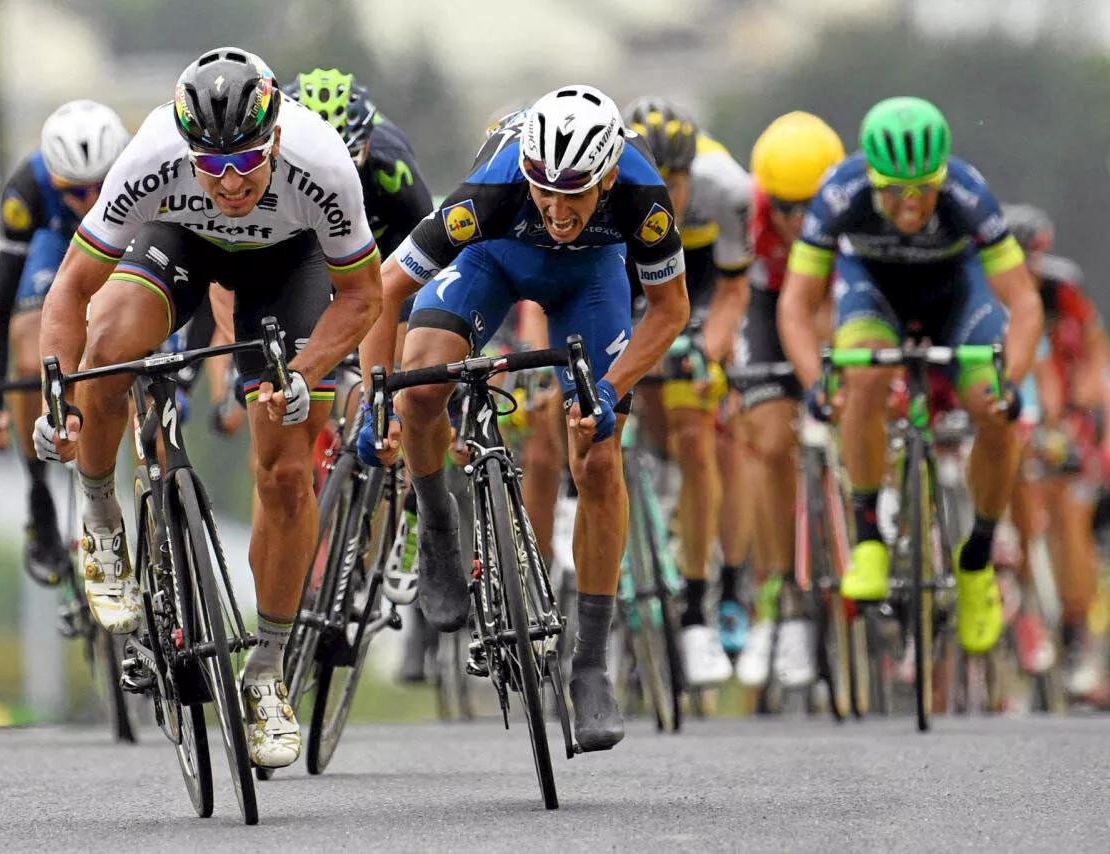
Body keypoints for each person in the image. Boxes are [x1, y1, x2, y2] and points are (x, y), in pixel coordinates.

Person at [33, 47, 383, 769]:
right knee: (106, 349)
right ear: (186, 146)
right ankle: (101, 521)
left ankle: (268, 674)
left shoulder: (323, 166)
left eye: (246, 163)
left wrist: (307, 371)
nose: (228, 181)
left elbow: (364, 297)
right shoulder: (155, 152)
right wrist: (57, 399)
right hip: (182, 248)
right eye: (210, 165)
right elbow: (69, 288)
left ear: (277, 137)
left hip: (289, 268)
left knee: (285, 471)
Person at [357, 84, 690, 751]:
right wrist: (373, 397)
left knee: (598, 455)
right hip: (493, 263)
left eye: (575, 194)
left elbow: (670, 310)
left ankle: (590, 665)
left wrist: (609, 390)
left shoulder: (641, 195)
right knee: (420, 390)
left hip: (591, 282)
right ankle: (441, 535)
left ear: (608, 175)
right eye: (545, 189)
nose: (558, 209)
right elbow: (387, 289)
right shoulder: (497, 184)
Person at [778, 96, 1042, 655]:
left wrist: (1009, 383)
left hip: (956, 295)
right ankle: (869, 535)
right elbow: (796, 304)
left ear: (942, 177)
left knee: (991, 409)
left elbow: (1023, 300)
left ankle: (976, 560)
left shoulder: (968, 194)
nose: (911, 203)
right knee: (864, 378)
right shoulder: (840, 194)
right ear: (872, 178)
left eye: (923, 188)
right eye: (895, 190)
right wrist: (816, 382)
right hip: (874, 292)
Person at [284, 68, 438, 681]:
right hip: (317, 274)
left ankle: (403, 518)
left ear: (367, 145)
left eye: (350, 157)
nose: (339, 172)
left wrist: (394, 372)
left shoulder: (394, 170)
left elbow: (422, 272)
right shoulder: (285, 170)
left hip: (389, 275)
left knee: (393, 398)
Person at [622, 96, 756, 686]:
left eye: (677, 181)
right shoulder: (611, 188)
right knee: (652, 416)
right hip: (636, 279)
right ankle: (659, 481)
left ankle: (702, 603)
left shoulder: (726, 189)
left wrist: (710, 350)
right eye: (659, 181)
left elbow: (732, 292)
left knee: (697, 434)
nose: (669, 193)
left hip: (700, 284)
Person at [0, 100, 129, 586]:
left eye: (99, 187)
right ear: (54, 181)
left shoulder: (138, 171)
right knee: (30, 350)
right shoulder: (27, 190)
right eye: (74, 191)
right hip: (55, 247)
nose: (88, 200)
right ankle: (39, 500)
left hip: (122, 236)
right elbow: (0, 304)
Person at [737, 111, 846, 688]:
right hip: (767, 310)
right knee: (770, 440)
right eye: (784, 208)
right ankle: (779, 590)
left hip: (831, 304)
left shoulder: (853, 207)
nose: (798, 221)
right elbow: (732, 294)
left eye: (811, 207)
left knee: (859, 404)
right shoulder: (745, 212)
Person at [1005, 204, 1110, 703]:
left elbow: (1095, 355)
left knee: (1069, 513)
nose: (1025, 268)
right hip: (1017, 413)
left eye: (1032, 257)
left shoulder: (1061, 288)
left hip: (1064, 413)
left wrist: (1084, 405)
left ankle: (1075, 632)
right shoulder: (984, 290)